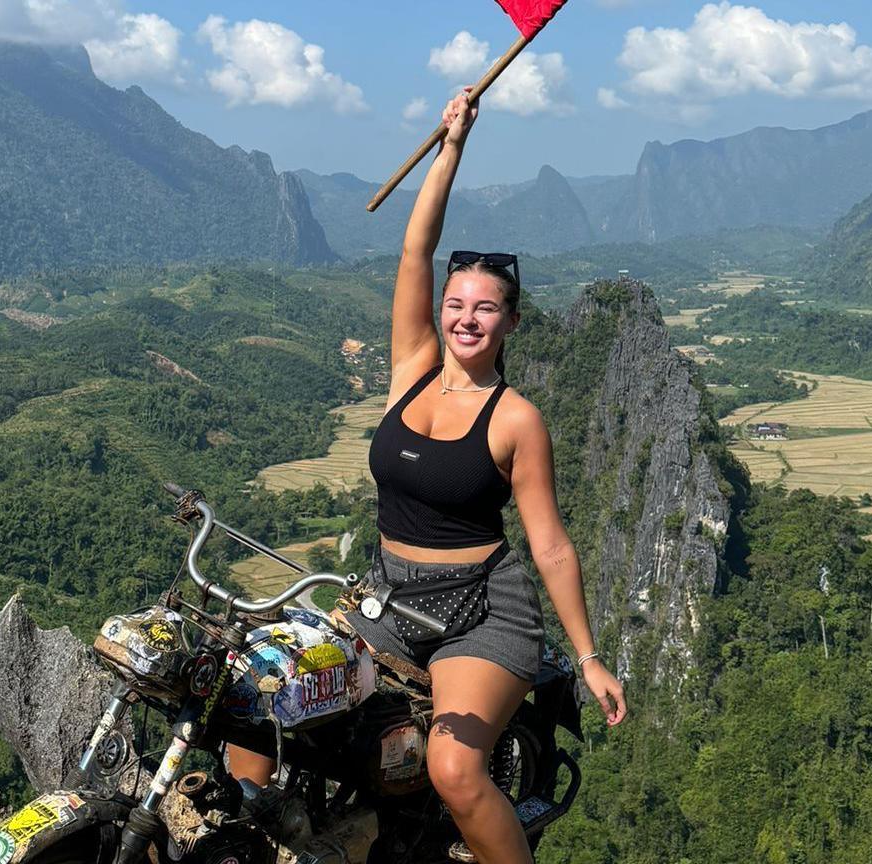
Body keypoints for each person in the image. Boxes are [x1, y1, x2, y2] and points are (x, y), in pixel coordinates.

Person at [229, 88, 626, 864]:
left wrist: (587, 655)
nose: (466, 318)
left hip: (482, 610)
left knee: (454, 768)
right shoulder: (410, 370)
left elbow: (548, 546)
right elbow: (415, 251)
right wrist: (452, 147)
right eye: (456, 303)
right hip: (386, 596)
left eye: (486, 308)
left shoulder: (515, 418)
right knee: (259, 715)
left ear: (511, 321)